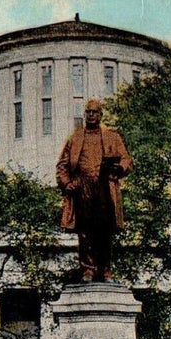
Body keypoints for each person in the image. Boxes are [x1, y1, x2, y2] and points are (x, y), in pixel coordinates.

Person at [56, 98, 133, 282]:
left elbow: (127, 160)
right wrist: (67, 183)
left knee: (105, 230)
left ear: (100, 115)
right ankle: (88, 270)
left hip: (105, 186)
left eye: (94, 112)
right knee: (85, 231)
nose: (91, 115)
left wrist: (119, 169)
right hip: (82, 188)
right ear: (85, 114)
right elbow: (62, 165)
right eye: (88, 112)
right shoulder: (74, 138)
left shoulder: (112, 136)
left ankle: (105, 270)